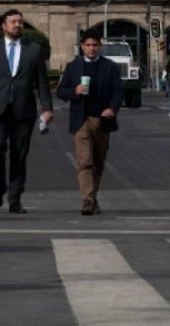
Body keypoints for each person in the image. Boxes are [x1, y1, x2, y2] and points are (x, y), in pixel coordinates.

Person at [56, 28, 123, 215]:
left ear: (100, 47)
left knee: (98, 163)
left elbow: (118, 92)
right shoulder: (73, 67)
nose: (91, 48)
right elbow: (61, 91)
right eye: (88, 45)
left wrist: (112, 108)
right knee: (85, 162)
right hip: (81, 121)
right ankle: (87, 201)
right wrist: (74, 91)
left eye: (95, 45)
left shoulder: (110, 66)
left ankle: (93, 197)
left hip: (102, 121)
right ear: (82, 47)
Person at [0, 9, 54, 214]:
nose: (17, 25)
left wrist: (47, 109)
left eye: (20, 22)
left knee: (19, 156)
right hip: (0, 110)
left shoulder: (34, 49)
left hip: (24, 112)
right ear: (3, 26)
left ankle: (15, 199)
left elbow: (42, 83)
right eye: (13, 22)